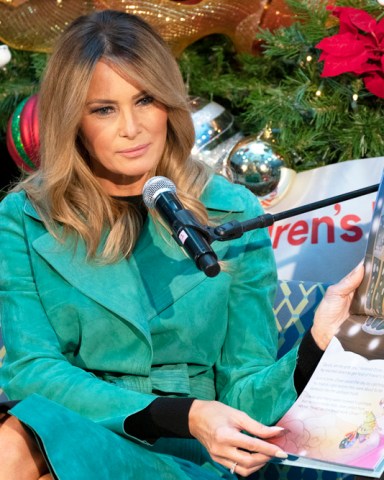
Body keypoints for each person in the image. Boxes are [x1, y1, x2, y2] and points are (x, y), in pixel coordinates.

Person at [0, 9, 364, 480]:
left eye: (146, 100)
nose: (132, 128)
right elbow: (31, 371)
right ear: (73, 120)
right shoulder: (26, 214)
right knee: (19, 443)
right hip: (84, 425)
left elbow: (244, 391)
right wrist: (182, 412)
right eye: (104, 109)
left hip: (196, 452)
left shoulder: (230, 209)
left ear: (170, 104)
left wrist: (318, 341)